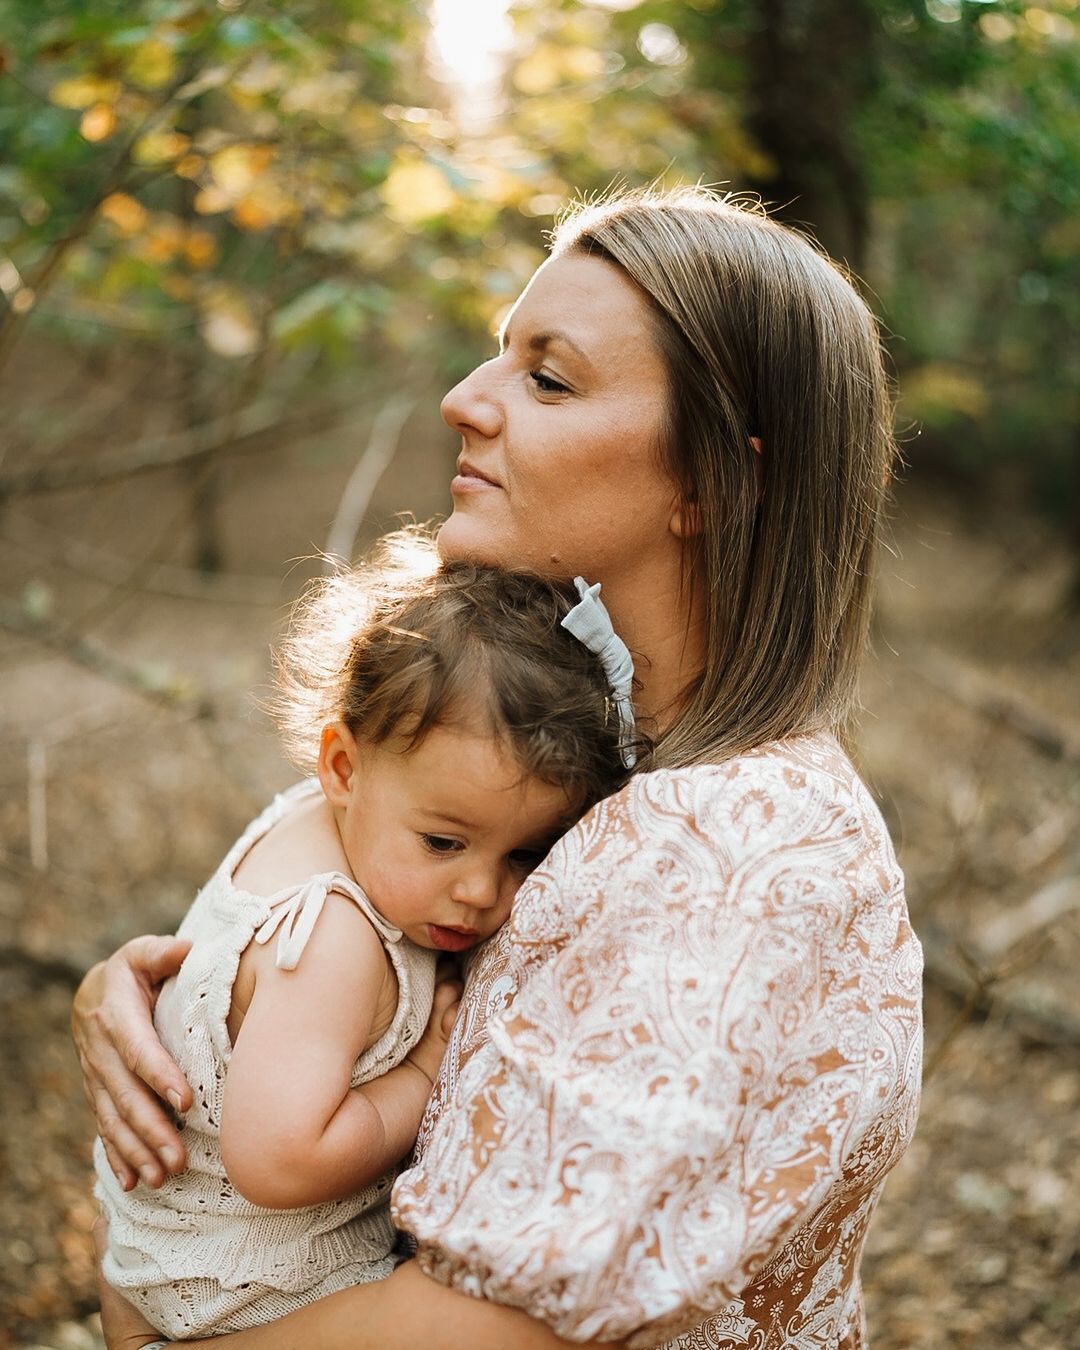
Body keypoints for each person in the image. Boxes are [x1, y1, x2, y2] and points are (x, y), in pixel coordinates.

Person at [75, 185, 923, 1350]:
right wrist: (177, 1007)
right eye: (498, 352)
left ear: (711, 482)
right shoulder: (598, 758)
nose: (465, 399)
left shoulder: (729, 845)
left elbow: (495, 1330)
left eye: (549, 378)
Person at [94, 541, 631, 1338]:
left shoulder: (319, 821)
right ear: (344, 766)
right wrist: (424, 1073)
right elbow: (280, 1160)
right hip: (246, 1291)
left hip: (157, 1249)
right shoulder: (335, 942)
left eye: (523, 855)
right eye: (444, 843)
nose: (481, 891)